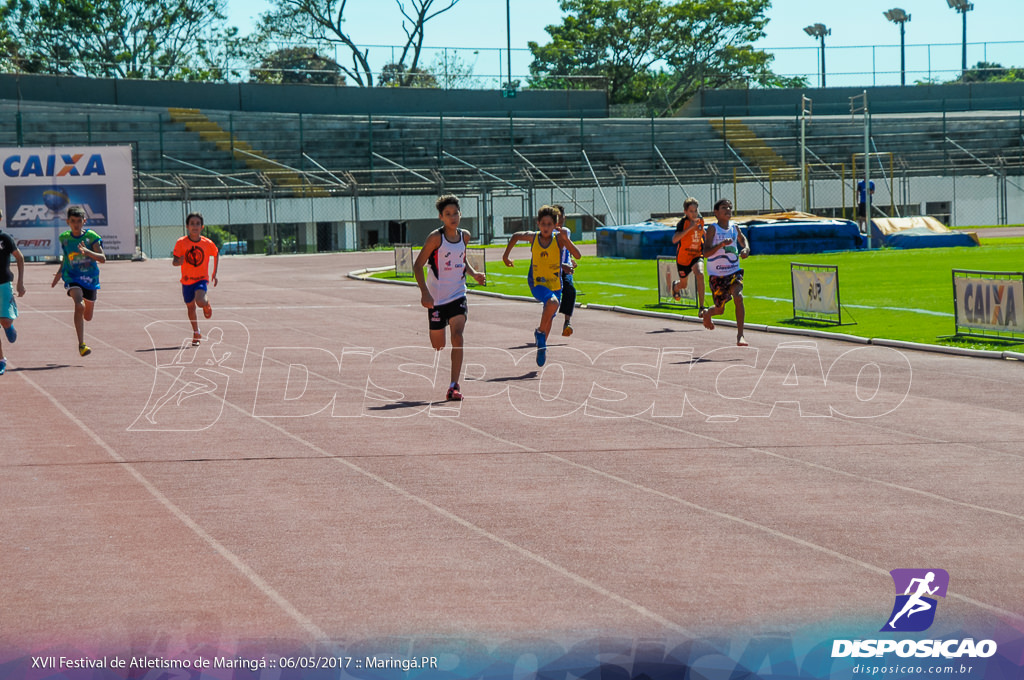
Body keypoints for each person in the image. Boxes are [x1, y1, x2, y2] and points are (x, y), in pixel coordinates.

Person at [413, 194, 486, 402]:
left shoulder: (465, 236)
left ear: (460, 214)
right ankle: (438, 328)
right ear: (441, 217)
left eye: (455, 213)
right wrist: (424, 293)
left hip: (457, 294)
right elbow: (418, 265)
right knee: (438, 345)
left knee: (458, 336)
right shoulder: (436, 238)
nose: (453, 217)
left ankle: (454, 385)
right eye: (448, 214)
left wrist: (474, 274)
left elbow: (461, 259)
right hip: (436, 299)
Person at [502, 205, 582, 367]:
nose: (546, 228)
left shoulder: (559, 239)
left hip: (555, 284)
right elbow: (516, 236)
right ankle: (539, 333)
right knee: (552, 303)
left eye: (549, 225)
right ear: (538, 224)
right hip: (537, 282)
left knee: (550, 315)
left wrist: (566, 239)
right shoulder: (534, 237)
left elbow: (578, 255)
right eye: (543, 224)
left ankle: (542, 345)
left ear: (555, 226)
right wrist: (505, 257)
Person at [51, 206, 105, 357]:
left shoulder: (91, 237)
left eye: (79, 221)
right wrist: (59, 273)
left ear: (84, 221)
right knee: (78, 304)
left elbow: (103, 258)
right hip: (72, 276)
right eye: (73, 221)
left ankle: (85, 308)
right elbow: (67, 258)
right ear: (68, 221)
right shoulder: (65, 238)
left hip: (90, 279)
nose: (76, 224)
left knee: (88, 316)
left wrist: (88, 252)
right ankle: (82, 344)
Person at [701, 199, 750, 347]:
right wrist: (721, 244)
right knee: (720, 310)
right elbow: (706, 253)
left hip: (734, 271)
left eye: (730, 207)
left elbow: (742, 239)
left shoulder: (734, 227)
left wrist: (746, 248)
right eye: (724, 208)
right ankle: (708, 313)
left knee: (738, 296)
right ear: (716, 212)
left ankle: (740, 335)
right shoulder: (713, 229)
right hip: (717, 275)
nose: (728, 210)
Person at [172, 212, 219, 347]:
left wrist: (214, 273)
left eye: (197, 224)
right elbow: (174, 261)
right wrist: (179, 261)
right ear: (187, 226)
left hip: (201, 279)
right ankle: (196, 332)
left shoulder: (207, 243)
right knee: (190, 307)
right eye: (192, 224)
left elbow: (216, 254)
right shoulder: (181, 243)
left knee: (199, 300)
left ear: (202, 227)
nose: (195, 226)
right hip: (186, 281)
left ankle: (206, 304)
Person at [0, 209, 26, 375]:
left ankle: (9, 327)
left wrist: (20, 283)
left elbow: (20, 257)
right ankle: (1, 360)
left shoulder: (5, 238)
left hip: (3, 284)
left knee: (4, 320)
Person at [670, 197, 706, 315]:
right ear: (685, 212)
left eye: (695, 210)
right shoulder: (682, 223)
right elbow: (674, 240)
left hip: (696, 254)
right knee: (683, 284)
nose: (694, 213)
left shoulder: (700, 221)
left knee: (700, 274)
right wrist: (690, 227)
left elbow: (704, 234)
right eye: (691, 211)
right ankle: (676, 286)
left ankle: (701, 307)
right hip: (683, 258)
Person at [552, 204, 578, 336]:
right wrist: (562, 264)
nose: (558, 220)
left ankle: (567, 322)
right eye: (555, 217)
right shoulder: (547, 233)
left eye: (560, 217)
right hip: (551, 269)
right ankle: (545, 324)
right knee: (552, 299)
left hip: (565, 269)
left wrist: (571, 259)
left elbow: (566, 248)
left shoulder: (566, 231)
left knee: (570, 290)